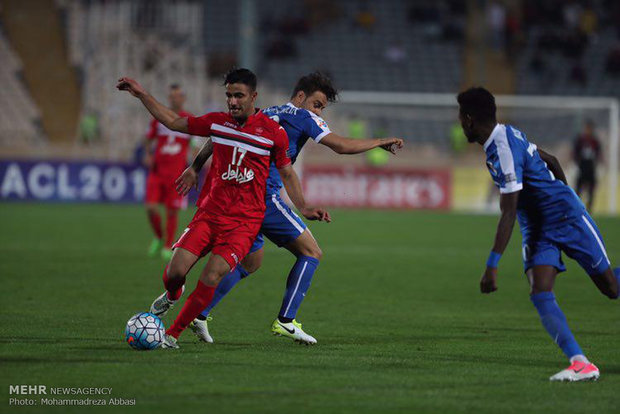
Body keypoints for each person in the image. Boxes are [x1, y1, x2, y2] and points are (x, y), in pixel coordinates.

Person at [176, 72, 404, 344]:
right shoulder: (303, 116)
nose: (319, 112)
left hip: (242, 199)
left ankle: (199, 314)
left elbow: (220, 135)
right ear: (300, 97)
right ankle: (286, 320)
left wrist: (195, 166)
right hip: (264, 197)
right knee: (311, 252)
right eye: (317, 104)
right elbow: (341, 146)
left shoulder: (264, 112)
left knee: (251, 260)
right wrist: (379, 141)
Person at [117, 68, 330, 349]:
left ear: (253, 96)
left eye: (238, 96)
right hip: (209, 214)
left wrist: (303, 207)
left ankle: (172, 334)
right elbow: (174, 121)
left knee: (212, 275)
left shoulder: (273, 134)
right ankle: (172, 293)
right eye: (229, 95)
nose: (232, 101)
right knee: (174, 272)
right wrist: (142, 94)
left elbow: (287, 173)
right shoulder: (219, 123)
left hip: (243, 223)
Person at [457, 87, 619, 382]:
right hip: (537, 227)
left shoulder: (504, 148)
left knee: (611, 288)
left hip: (567, 218)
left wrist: (492, 265)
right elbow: (553, 161)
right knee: (540, 290)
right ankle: (581, 363)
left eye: (460, 118)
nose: (459, 123)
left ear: (468, 119)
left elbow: (508, 211)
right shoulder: (506, 135)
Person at [143, 84, 194, 260]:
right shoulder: (159, 117)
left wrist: (194, 166)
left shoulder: (190, 120)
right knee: (150, 208)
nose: (175, 99)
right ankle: (158, 235)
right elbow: (148, 139)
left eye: (178, 96)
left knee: (172, 211)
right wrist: (148, 154)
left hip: (177, 174)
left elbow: (195, 147)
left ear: (183, 98)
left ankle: (167, 244)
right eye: (172, 96)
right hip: (157, 171)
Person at [573, 120, 601, 211]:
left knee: (591, 191)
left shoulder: (595, 141)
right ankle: (577, 208)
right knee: (578, 190)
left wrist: (597, 164)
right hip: (582, 167)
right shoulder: (580, 140)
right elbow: (575, 152)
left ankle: (589, 210)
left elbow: (598, 153)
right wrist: (577, 163)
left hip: (591, 168)